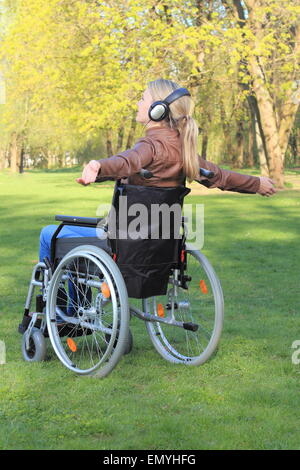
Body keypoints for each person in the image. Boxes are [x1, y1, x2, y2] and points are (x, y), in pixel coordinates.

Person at [39, 78, 276, 262]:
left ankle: (65, 314)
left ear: (157, 110)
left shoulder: (151, 145)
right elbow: (220, 177)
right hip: (159, 250)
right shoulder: (185, 153)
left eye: (143, 99)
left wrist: (98, 166)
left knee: (50, 234)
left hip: (125, 247)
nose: (138, 103)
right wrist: (257, 183)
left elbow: (127, 161)